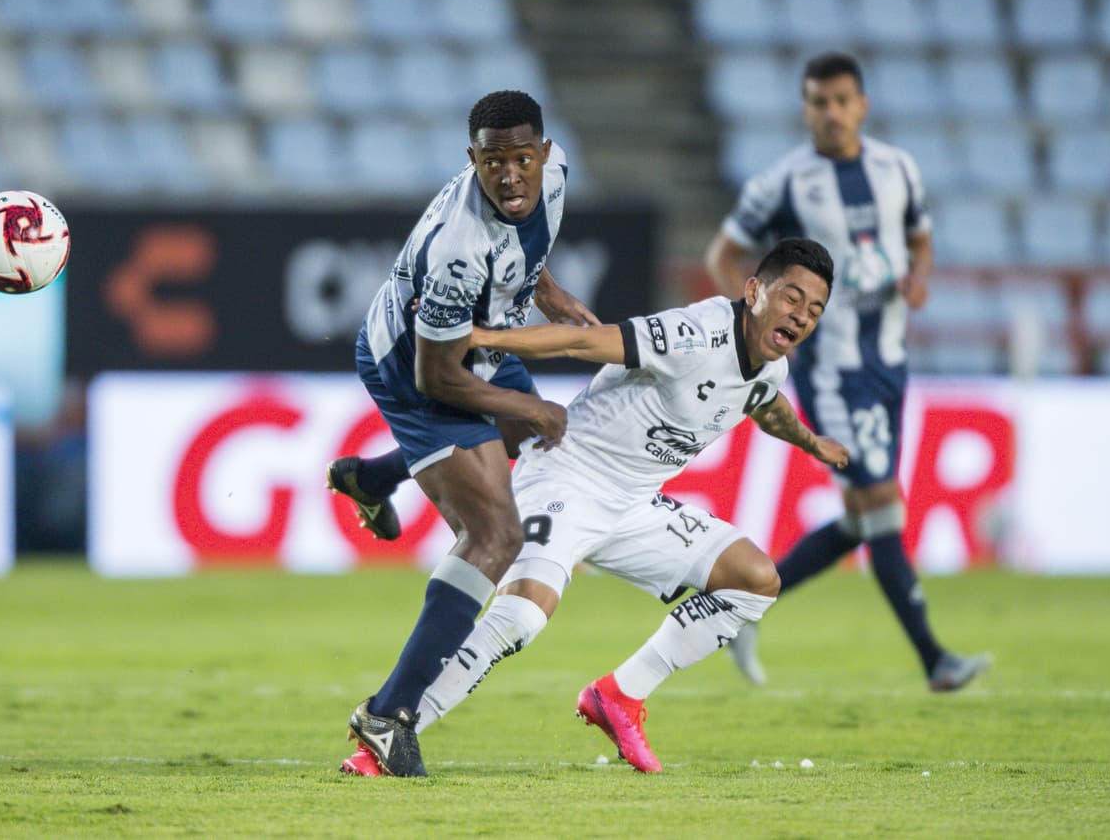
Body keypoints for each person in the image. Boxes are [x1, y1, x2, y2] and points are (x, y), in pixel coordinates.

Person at [342, 237, 847, 776]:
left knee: (754, 580)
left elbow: (768, 407)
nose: (802, 316)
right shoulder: (694, 334)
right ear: (754, 291)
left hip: (633, 506)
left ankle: (619, 696)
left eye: (814, 310)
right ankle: (389, 734)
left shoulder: (771, 367)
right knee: (521, 617)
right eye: (792, 298)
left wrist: (813, 444)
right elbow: (585, 343)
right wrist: (485, 337)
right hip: (567, 474)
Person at [704, 52, 990, 692]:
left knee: (865, 517)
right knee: (882, 505)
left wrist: (919, 277)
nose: (830, 113)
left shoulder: (897, 169)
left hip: (890, 360)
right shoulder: (782, 183)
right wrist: (764, 333)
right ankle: (935, 659)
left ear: (861, 104)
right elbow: (723, 256)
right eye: (817, 102)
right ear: (805, 109)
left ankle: (748, 606)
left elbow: (919, 235)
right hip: (831, 370)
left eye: (840, 101)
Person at [338, 90, 598, 778]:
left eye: (521, 159)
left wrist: (553, 295)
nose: (509, 176)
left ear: (544, 153)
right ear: (471, 160)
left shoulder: (557, 175)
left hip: (479, 336)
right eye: (492, 163)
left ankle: (373, 476)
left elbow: (524, 256)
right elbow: (438, 378)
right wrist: (535, 408)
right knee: (494, 535)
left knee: (516, 440)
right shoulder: (458, 249)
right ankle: (387, 714)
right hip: (414, 362)